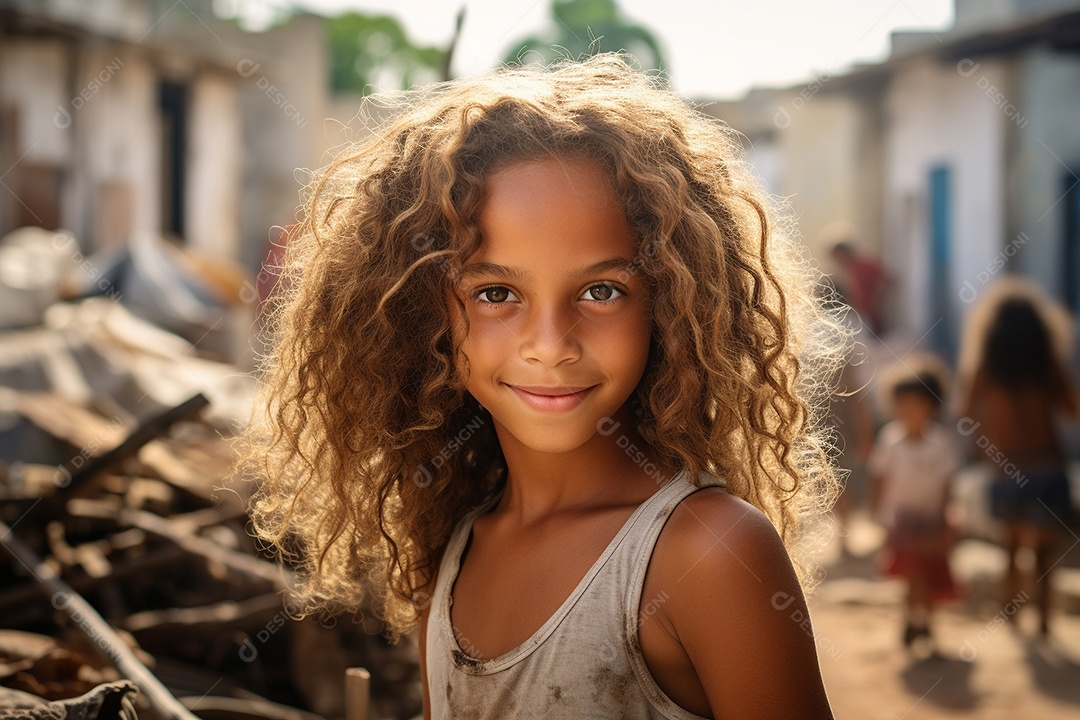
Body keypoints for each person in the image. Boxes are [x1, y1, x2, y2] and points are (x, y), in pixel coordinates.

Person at [236, 54, 849, 719]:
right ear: (423, 311)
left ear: (670, 304)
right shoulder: (445, 558)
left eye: (601, 290)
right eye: (497, 293)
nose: (551, 343)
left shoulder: (708, 556)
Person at [957, 277, 1077, 638]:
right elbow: (1071, 410)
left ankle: (1011, 616)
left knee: (1010, 548)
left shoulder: (987, 368)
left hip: (1005, 466)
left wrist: (982, 445)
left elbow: (966, 414)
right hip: (1048, 464)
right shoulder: (1047, 365)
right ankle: (1044, 619)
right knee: (1044, 553)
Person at [869, 356, 960, 652]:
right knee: (912, 575)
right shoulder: (890, 442)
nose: (909, 411)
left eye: (916, 404)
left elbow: (948, 485)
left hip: (932, 521)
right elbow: (880, 480)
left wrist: (947, 518)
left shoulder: (940, 444)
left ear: (932, 406)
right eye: (902, 404)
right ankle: (911, 620)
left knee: (932, 575)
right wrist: (879, 517)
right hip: (901, 522)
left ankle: (926, 625)